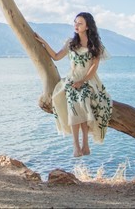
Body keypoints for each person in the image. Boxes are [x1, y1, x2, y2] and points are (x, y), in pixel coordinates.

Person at [35, 12, 112, 157]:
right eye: (75, 22)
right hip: (71, 79)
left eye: (80, 23)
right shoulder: (71, 43)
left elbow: (93, 67)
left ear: (87, 26)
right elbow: (56, 57)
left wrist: (83, 81)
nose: (76, 25)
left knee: (83, 98)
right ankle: (76, 145)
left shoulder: (96, 45)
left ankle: (85, 144)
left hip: (89, 79)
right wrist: (44, 42)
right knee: (74, 101)